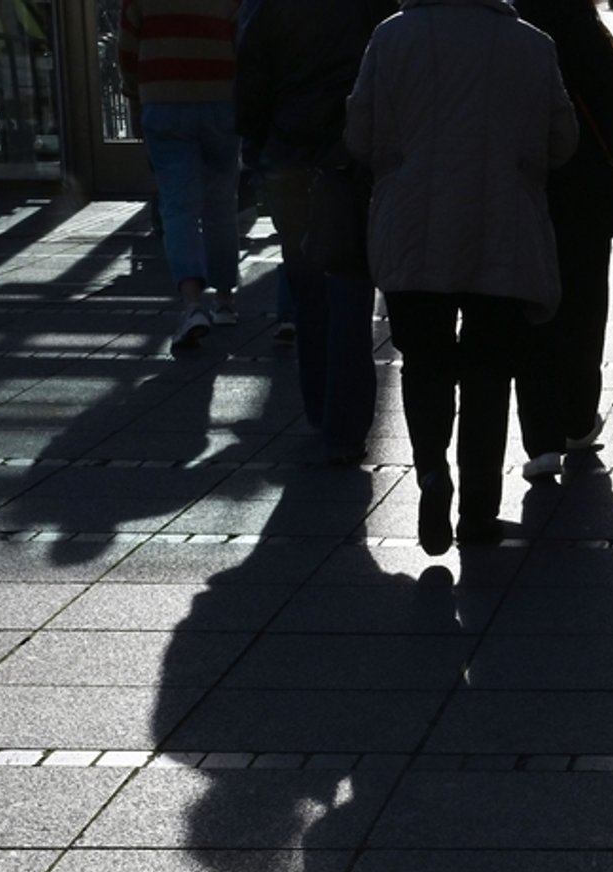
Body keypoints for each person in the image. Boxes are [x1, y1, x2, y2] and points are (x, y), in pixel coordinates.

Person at [345, 0, 576, 554]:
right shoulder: (531, 43)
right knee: (489, 370)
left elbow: (358, 132)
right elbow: (563, 141)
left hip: (413, 228)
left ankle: (430, 472)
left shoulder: (392, 37)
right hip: (502, 227)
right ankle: (478, 508)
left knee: (423, 362)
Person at [235, 0, 394, 466]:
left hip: (288, 153)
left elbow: (252, 74)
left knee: (306, 281)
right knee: (349, 285)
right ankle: (345, 427)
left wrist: (256, 141)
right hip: (349, 159)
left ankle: (318, 405)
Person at [513, 0, 613, 480]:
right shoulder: (593, 37)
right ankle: (579, 419)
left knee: (532, 316)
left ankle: (540, 440)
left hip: (527, 193)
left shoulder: (518, 33)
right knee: (585, 311)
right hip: (586, 198)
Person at [118, 0, 242, 354]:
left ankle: (191, 305)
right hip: (220, 101)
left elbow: (126, 49)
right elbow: (241, 40)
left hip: (164, 104)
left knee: (178, 208)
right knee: (221, 206)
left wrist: (134, 95)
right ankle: (225, 299)